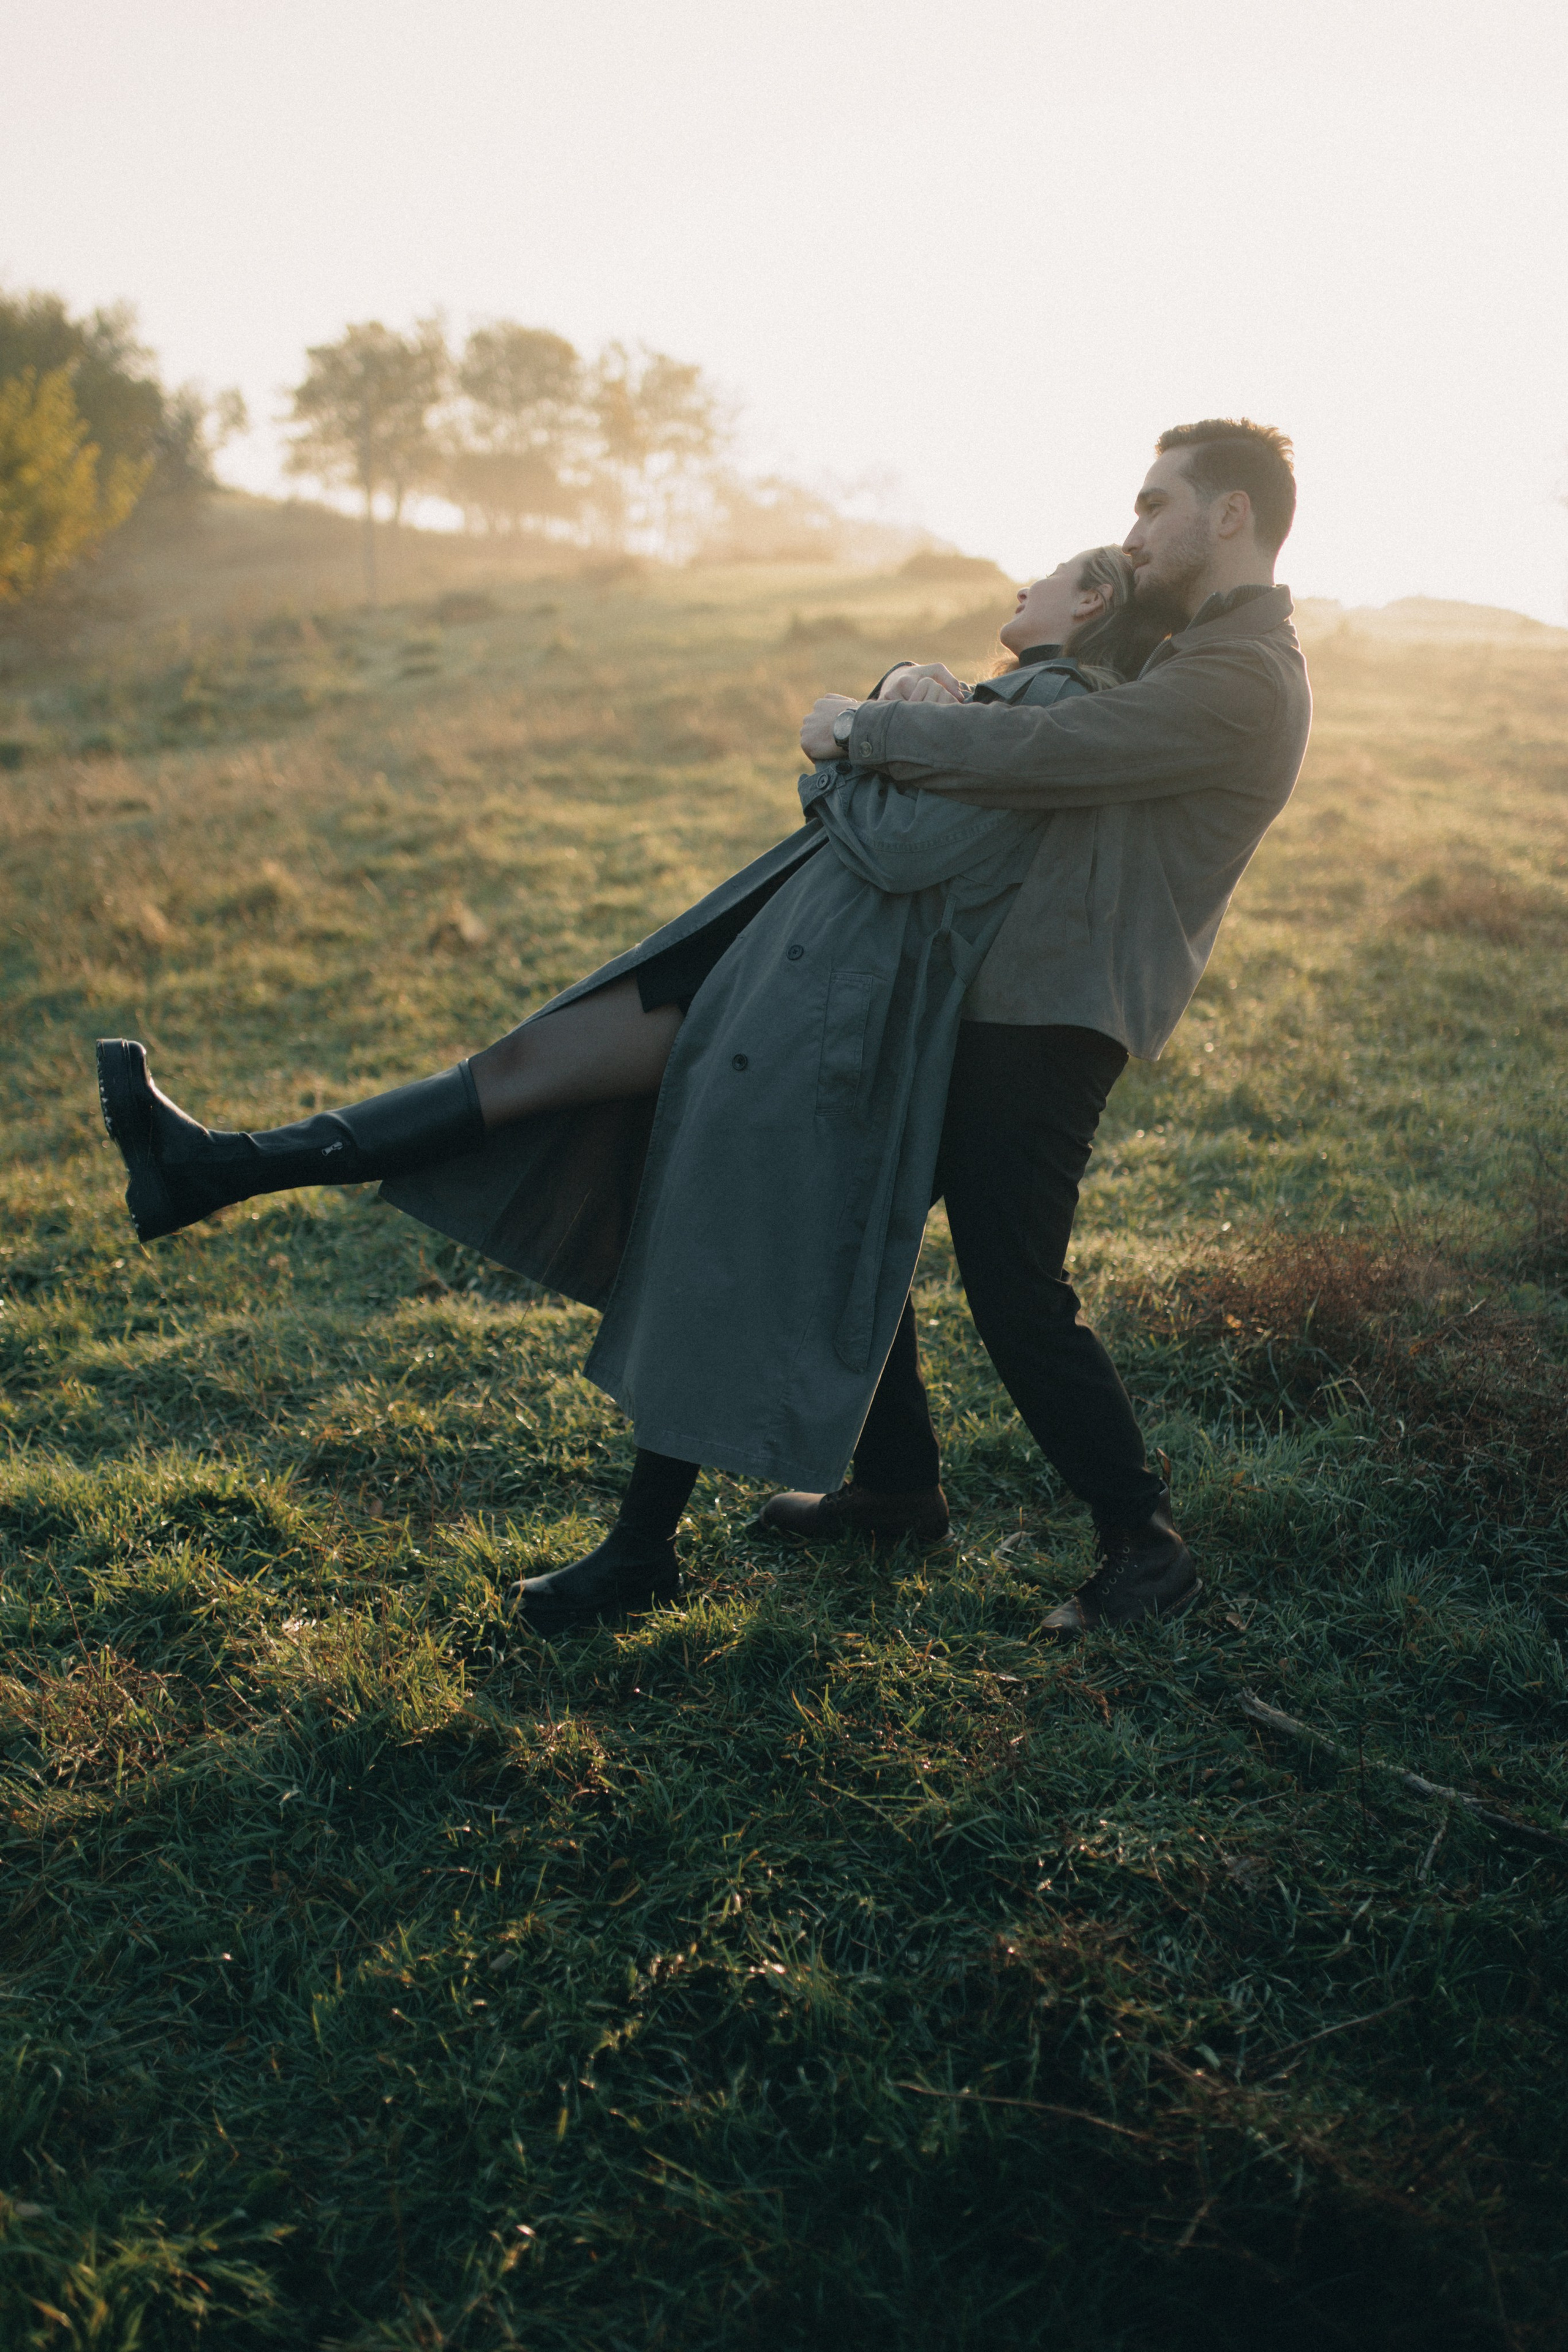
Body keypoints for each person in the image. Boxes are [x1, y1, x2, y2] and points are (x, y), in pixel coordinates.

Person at [97, 545, 1159, 1632]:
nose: (1023, 582)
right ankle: (216, 1166)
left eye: (1055, 573)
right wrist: (894, 688)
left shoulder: (1057, 708)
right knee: (522, 1069)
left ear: (1093, 602)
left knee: (717, 1234)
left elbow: (904, 845)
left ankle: (645, 1549)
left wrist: (849, 739)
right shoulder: (998, 696)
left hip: (822, 994)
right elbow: (901, 790)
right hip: (757, 952)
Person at [784, 417, 1311, 1637]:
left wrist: (864, 728)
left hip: (1059, 1008)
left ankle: (1144, 1547)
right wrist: (926, 678)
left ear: (1227, 514)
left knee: (1015, 1284)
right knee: (857, 1211)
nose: (1130, 535)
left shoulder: (1240, 678)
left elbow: (1048, 744)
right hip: (1002, 988)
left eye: (1150, 505)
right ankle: (896, 1486)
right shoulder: (1182, 648)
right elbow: (1024, 687)